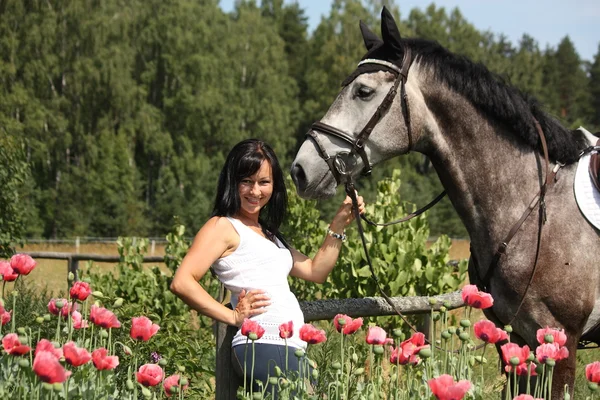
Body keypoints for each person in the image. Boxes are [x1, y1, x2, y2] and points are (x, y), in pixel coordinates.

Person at [170, 138, 364, 394]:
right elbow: (181, 282)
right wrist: (231, 316)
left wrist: (338, 224)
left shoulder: (270, 235)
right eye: (246, 181)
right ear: (232, 182)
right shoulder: (223, 226)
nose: (255, 191)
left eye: (264, 182)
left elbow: (316, 271)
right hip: (262, 343)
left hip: (290, 346)